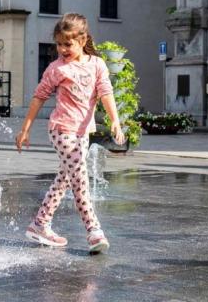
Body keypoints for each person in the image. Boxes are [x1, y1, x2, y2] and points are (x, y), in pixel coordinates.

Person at [15, 13, 125, 254]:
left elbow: (106, 93)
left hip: (83, 132)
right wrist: (25, 129)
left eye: (68, 44)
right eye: (59, 43)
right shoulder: (56, 69)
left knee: (65, 179)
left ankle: (40, 224)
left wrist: (115, 121)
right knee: (80, 181)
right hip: (62, 131)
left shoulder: (97, 64)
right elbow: (39, 97)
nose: (62, 49)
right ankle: (94, 231)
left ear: (82, 40)